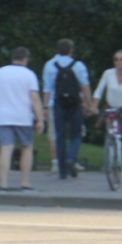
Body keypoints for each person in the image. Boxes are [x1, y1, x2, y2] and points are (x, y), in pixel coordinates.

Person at [0, 47, 45, 190]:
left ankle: (4, 184)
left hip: (3, 117)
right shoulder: (29, 75)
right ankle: (25, 182)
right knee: (27, 147)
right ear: (25, 59)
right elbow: (35, 99)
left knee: (6, 149)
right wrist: (40, 119)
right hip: (23, 118)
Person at [41, 39, 92, 180]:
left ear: (57, 50)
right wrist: (89, 104)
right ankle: (71, 158)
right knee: (77, 134)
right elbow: (85, 86)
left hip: (58, 104)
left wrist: (44, 107)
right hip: (74, 104)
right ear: (71, 50)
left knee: (60, 136)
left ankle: (62, 171)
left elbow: (47, 89)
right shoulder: (79, 66)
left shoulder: (50, 66)